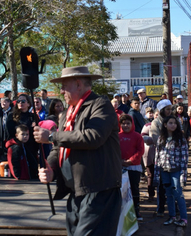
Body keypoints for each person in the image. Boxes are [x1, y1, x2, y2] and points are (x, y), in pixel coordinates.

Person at [34, 66, 122, 236]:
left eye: (64, 86)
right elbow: (59, 148)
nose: (61, 91)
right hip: (76, 190)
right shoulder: (68, 112)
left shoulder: (101, 105)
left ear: (78, 84)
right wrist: (50, 168)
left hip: (99, 190)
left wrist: (52, 136)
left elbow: (93, 136)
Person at [154, 116, 188, 227]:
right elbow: (157, 156)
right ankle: (172, 216)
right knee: (168, 194)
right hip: (164, 170)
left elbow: (184, 157)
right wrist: (157, 173)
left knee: (178, 194)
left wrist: (183, 175)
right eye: (170, 123)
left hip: (176, 171)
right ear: (165, 125)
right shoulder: (161, 138)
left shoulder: (181, 139)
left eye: (175, 123)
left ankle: (183, 219)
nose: (173, 125)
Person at [149, 99, 173, 217]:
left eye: (170, 109)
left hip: (174, 157)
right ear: (162, 110)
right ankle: (160, 209)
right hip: (161, 158)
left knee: (174, 185)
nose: (169, 111)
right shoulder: (156, 123)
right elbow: (156, 140)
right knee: (162, 185)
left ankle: (174, 208)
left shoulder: (174, 120)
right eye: (167, 109)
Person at [119, 114, 145, 221]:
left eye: (128, 123)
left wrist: (130, 161)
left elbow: (140, 151)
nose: (126, 125)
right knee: (122, 190)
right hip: (120, 167)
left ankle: (136, 210)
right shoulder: (117, 136)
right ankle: (122, 212)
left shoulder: (137, 136)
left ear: (132, 124)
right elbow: (114, 150)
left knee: (134, 189)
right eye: (123, 123)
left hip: (133, 167)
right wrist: (120, 161)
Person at [6, 94, 40, 174]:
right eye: (18, 101)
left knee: (32, 171)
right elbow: (9, 133)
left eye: (23, 101)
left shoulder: (33, 116)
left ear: (28, 104)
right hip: (17, 148)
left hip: (31, 147)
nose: (20, 103)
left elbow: (36, 131)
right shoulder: (11, 116)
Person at [0, 97, 12, 162]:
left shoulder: (12, 112)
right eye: (2, 102)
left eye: (5, 102)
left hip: (10, 134)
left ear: (9, 103)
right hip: (1, 133)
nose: (3, 103)